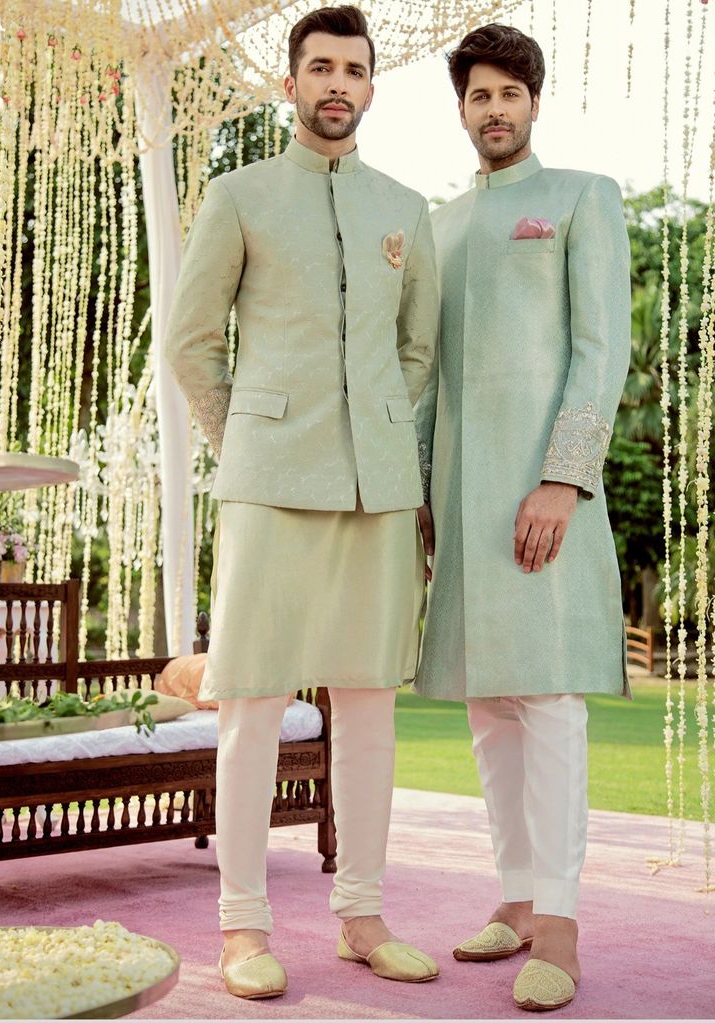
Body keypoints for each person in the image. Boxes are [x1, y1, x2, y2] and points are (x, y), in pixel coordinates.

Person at [165, 4, 440, 1000]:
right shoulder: (237, 196)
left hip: (376, 490)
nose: (335, 84)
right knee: (251, 703)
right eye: (318, 67)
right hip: (267, 486)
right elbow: (190, 342)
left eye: (352, 70)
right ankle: (243, 930)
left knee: (367, 705)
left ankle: (361, 917)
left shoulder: (407, 208)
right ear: (289, 84)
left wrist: (367, 425)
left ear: (369, 87)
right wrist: (256, 432)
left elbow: (418, 349)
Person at [415, 22, 631, 1013]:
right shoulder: (439, 225)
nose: (492, 110)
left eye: (508, 93)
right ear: (459, 111)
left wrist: (562, 477)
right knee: (488, 709)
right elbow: (424, 381)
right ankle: (511, 897)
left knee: (545, 704)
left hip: (542, 493)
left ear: (533, 103)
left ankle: (560, 924)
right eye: (476, 96)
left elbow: (599, 350)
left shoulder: (582, 198)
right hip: (458, 503)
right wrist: (419, 495)